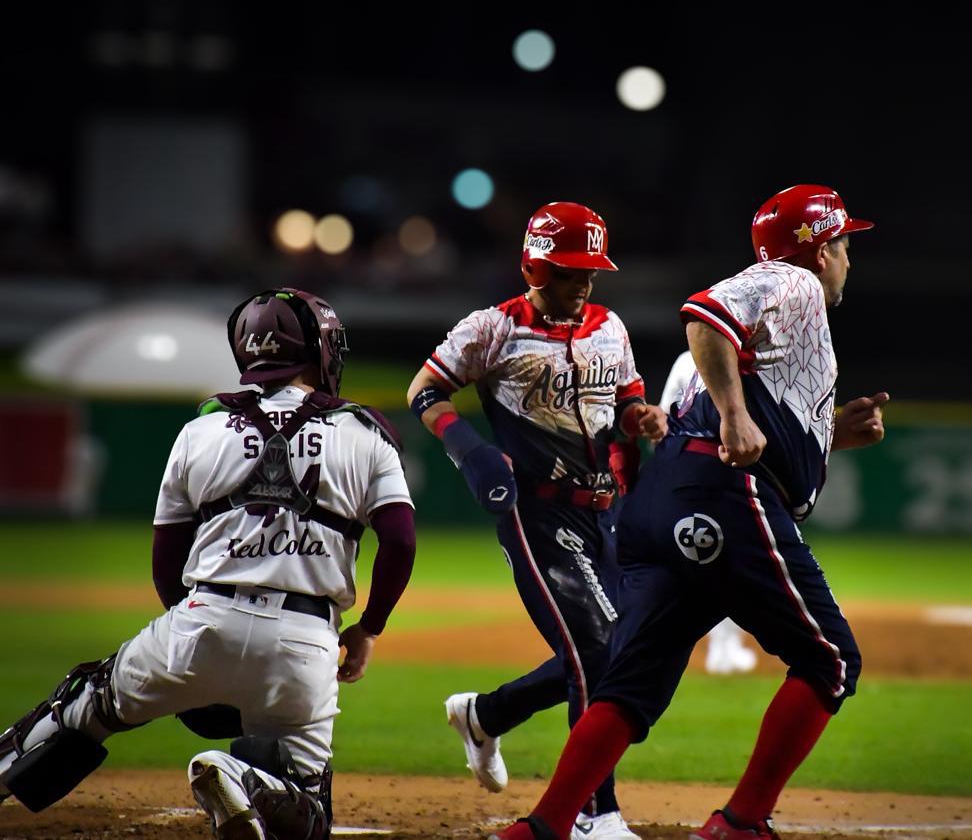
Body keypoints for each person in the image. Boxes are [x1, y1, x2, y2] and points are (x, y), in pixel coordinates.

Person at [490, 184, 888, 840]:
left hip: (675, 495)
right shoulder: (791, 283)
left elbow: (764, 419)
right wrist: (733, 416)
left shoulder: (794, 314)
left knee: (629, 684)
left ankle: (543, 827)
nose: (848, 258)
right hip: (723, 495)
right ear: (817, 251)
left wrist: (831, 434)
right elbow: (705, 314)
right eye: (843, 244)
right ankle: (742, 822)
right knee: (830, 659)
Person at [0, 288, 417, 840]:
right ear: (319, 351)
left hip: (200, 620)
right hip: (304, 642)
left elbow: (166, 561)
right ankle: (240, 778)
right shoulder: (367, 434)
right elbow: (401, 543)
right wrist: (369, 628)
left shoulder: (199, 430)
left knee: (86, 702)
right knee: (310, 816)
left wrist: (199, 641)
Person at [406, 202, 666, 840]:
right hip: (537, 512)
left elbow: (626, 400)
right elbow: (425, 391)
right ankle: (593, 812)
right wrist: (470, 451)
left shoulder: (610, 326)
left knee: (613, 652)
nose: (585, 283)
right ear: (536, 265)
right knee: (601, 650)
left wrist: (641, 420)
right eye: (572, 271)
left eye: (591, 271)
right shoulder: (493, 329)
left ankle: (486, 715)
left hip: (607, 515)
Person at [659, 350, 758, 676]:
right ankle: (724, 649)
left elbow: (662, 423)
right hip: (731, 479)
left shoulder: (688, 358)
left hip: (683, 476)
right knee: (733, 567)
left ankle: (720, 646)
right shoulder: (759, 361)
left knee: (706, 567)